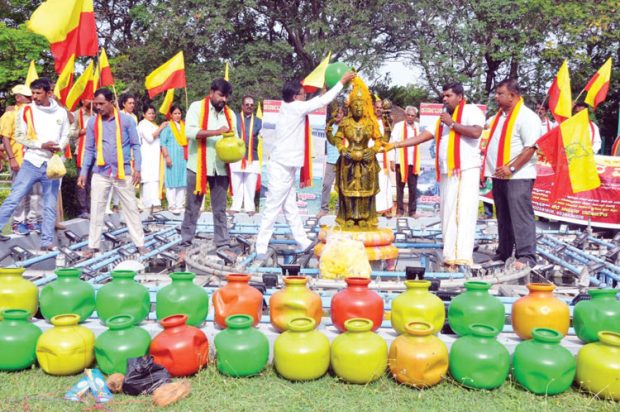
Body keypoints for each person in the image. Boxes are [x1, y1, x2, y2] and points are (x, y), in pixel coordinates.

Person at [255, 71, 356, 257]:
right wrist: (341, 82)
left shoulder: (291, 107)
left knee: (290, 208)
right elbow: (321, 102)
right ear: (295, 97)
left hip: (286, 165)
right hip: (281, 166)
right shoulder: (294, 108)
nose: (305, 96)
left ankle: (302, 241)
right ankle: (260, 248)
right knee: (272, 208)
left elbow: (316, 101)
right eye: (302, 94)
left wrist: (322, 92)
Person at [390, 82, 485, 268]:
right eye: (444, 96)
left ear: (459, 96)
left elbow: (475, 132)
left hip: (464, 170)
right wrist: (396, 145)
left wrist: (452, 124)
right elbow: (424, 136)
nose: (444, 99)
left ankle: (462, 257)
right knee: (448, 213)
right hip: (448, 171)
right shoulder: (443, 118)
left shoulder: (471, 111)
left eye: (448, 95)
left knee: (461, 213)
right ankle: (450, 254)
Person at [0, 78, 70, 250]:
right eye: (33, 93)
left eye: (39, 93)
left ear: (49, 93)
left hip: (52, 164)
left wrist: (58, 146)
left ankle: (46, 242)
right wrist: (41, 145)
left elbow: (66, 135)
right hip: (31, 161)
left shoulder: (60, 112)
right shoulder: (27, 110)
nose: (35, 97)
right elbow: (19, 136)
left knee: (49, 204)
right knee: (14, 197)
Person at [77, 88, 146, 257]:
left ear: (111, 103)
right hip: (100, 172)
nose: (98, 107)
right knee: (97, 208)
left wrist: (137, 167)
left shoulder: (127, 121)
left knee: (131, 208)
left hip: (123, 172)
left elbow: (136, 145)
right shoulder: (93, 123)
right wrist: (84, 171)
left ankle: (140, 244)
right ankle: (93, 246)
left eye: (101, 104)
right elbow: (89, 148)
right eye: (96, 104)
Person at [484, 79, 540, 269]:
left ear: (513, 96)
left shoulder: (527, 117)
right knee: (503, 216)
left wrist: (512, 167)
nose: (496, 97)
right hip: (498, 175)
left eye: (500, 94)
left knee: (520, 216)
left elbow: (531, 147)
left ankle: (526, 256)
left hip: (518, 176)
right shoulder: (498, 117)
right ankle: (504, 252)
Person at [179, 78, 236, 254]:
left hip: (220, 166)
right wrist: (217, 132)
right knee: (192, 207)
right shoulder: (197, 107)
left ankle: (222, 244)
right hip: (197, 166)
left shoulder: (230, 114)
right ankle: (186, 242)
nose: (223, 100)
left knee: (219, 209)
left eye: (226, 97)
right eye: (220, 95)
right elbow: (189, 132)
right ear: (211, 92)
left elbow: (235, 137)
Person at [331, 80, 383, 228]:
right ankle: (349, 216)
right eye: (355, 105)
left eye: (361, 104)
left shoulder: (370, 123)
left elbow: (379, 140)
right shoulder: (345, 123)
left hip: (367, 160)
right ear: (351, 106)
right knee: (348, 190)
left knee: (365, 190)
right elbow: (338, 139)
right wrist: (342, 149)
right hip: (348, 161)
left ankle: (364, 217)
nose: (358, 108)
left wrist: (372, 150)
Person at [0, 84, 42, 235]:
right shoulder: (10, 115)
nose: (31, 100)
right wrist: (11, 158)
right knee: (20, 192)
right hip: (18, 159)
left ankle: (33, 221)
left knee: (36, 193)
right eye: (28, 98)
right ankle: (18, 222)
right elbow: (5, 137)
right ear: (18, 98)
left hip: (35, 160)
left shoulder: (34, 114)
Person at [229, 95, 262, 214]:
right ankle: (235, 207)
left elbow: (264, 135)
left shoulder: (259, 121)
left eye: (251, 105)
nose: (249, 107)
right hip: (236, 156)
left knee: (250, 184)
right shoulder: (235, 119)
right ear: (242, 106)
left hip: (252, 157)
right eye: (247, 104)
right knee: (236, 183)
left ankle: (250, 207)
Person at [390, 106, 421, 217]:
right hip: (400, 161)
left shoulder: (418, 127)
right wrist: (392, 160)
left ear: (415, 117)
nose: (410, 117)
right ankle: (399, 210)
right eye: (408, 115)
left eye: (413, 115)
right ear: (405, 115)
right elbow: (392, 143)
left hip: (413, 162)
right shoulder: (398, 127)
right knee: (400, 187)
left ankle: (412, 211)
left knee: (413, 187)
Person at [317, 103, 345, 219]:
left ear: (344, 115)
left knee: (342, 187)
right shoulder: (329, 126)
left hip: (343, 161)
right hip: (331, 161)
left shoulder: (346, 126)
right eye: (336, 113)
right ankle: (324, 209)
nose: (338, 115)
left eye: (341, 113)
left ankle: (340, 210)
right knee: (326, 184)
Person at [138, 104, 167, 213]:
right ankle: (148, 204)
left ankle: (156, 203)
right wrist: (161, 127)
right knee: (149, 179)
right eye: (149, 113)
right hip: (147, 155)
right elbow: (150, 138)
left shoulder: (153, 124)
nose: (152, 115)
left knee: (155, 179)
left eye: (153, 113)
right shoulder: (142, 124)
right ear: (144, 114)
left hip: (156, 156)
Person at [160, 104, 188, 214]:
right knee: (171, 181)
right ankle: (172, 205)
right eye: (175, 113)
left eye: (179, 113)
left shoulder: (184, 126)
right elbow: (163, 143)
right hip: (171, 157)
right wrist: (167, 156)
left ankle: (180, 204)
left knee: (182, 181)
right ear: (171, 115)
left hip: (182, 158)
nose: (177, 115)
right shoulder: (168, 127)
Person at [69, 98, 94, 218]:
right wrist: (82, 131)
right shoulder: (77, 114)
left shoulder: (97, 113)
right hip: (82, 151)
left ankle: (93, 207)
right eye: (88, 98)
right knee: (82, 181)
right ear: (83, 100)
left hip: (96, 152)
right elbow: (70, 132)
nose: (91, 101)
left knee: (93, 181)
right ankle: (83, 210)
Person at [373, 97, 393, 217]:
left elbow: (390, 141)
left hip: (384, 158)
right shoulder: (369, 121)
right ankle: (373, 209)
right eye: (377, 108)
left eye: (381, 108)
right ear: (374, 108)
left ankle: (385, 209)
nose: (379, 110)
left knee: (384, 184)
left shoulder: (388, 122)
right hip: (372, 157)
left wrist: (391, 160)